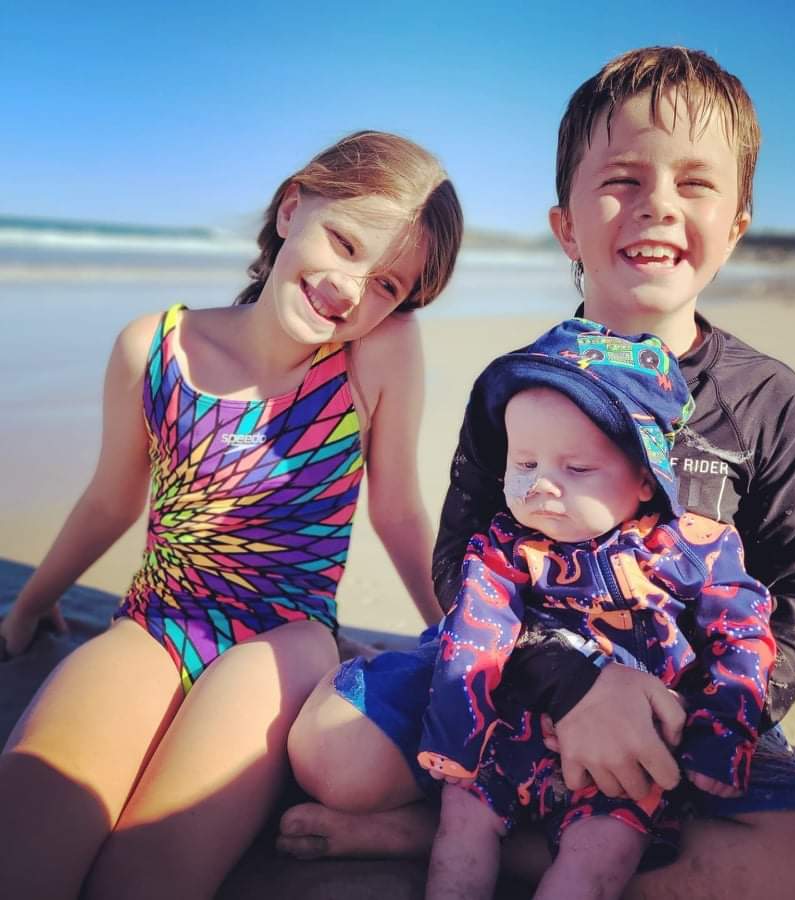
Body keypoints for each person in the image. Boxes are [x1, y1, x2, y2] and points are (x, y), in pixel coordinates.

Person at [280, 49, 795, 898]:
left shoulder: (766, 400)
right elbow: (460, 558)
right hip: (516, 678)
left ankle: (446, 838)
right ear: (566, 226)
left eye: (695, 183)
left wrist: (683, 719)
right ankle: (492, 824)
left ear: (737, 224)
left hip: (677, 714)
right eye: (622, 179)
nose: (659, 205)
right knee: (330, 749)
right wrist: (565, 685)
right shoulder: (518, 386)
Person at [0, 130, 463, 900]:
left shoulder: (375, 354)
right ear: (291, 209)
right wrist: (29, 607)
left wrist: (457, 642)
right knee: (28, 838)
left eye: (386, 284)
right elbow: (111, 500)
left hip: (286, 637)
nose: (351, 290)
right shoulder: (155, 348)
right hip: (157, 621)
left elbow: (399, 512)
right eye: (345, 243)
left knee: (147, 871)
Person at [418, 320, 775, 900]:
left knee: (597, 859)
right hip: (508, 737)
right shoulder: (503, 551)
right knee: (461, 823)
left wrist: (719, 739)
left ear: (645, 480)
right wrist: (456, 741)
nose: (541, 486)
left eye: (577, 469)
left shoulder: (694, 549)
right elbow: (472, 637)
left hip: (626, 761)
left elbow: (742, 636)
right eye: (524, 464)